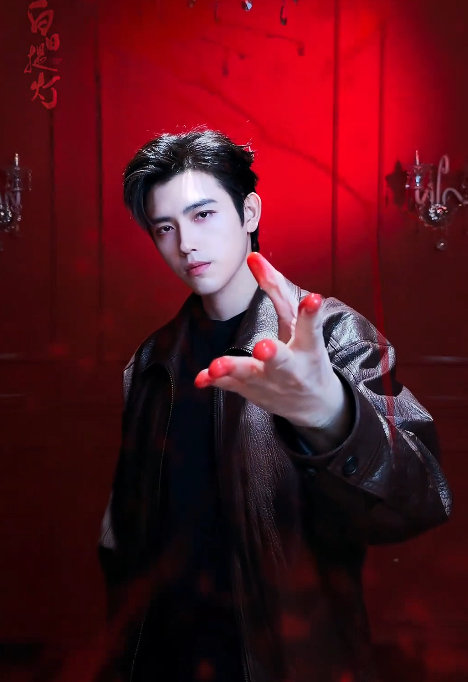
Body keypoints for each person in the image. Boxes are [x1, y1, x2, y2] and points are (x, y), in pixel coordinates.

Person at [98, 128, 451, 682]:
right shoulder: (151, 361)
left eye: (203, 215)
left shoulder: (330, 332)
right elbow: (125, 531)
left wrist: (330, 416)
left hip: (285, 660)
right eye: (164, 228)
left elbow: (423, 498)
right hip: (165, 655)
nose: (185, 243)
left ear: (249, 213)